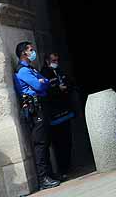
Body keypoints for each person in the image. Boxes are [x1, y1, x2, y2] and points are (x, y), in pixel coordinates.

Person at [13, 42, 59, 192]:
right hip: (34, 110)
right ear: (23, 54)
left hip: (41, 106)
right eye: (30, 50)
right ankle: (43, 178)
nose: (33, 53)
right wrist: (41, 83)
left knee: (46, 142)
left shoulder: (30, 68)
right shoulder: (23, 71)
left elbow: (45, 82)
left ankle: (50, 174)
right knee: (40, 144)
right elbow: (40, 86)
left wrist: (43, 82)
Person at [39, 54, 75, 182]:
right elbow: (46, 91)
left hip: (65, 110)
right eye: (54, 60)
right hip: (55, 114)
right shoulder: (44, 73)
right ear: (47, 61)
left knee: (68, 141)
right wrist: (58, 89)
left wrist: (65, 88)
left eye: (57, 60)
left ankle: (68, 167)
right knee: (59, 144)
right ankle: (62, 170)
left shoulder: (59, 70)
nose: (56, 62)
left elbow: (69, 82)